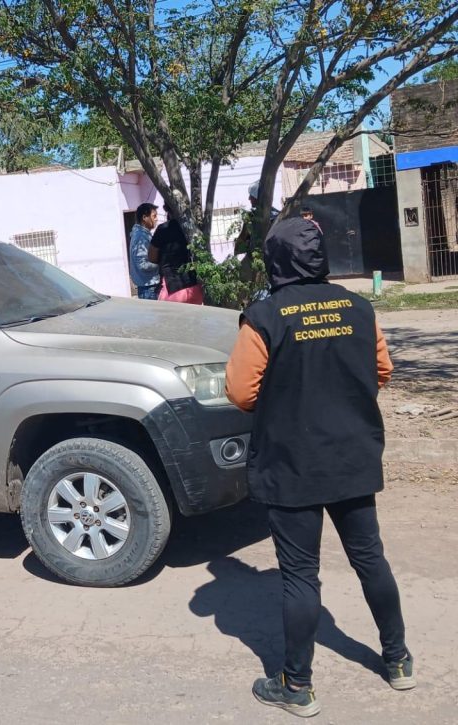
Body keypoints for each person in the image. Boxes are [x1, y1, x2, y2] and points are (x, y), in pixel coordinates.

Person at [225, 216, 413, 718]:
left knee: (300, 576)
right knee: (370, 558)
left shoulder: (263, 317)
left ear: (275, 260)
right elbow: (383, 372)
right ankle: (398, 660)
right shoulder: (359, 308)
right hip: (351, 455)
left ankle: (297, 687)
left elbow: (241, 392)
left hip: (292, 464)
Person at [148, 205, 203, 304]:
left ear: (166, 209)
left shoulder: (163, 229)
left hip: (172, 288)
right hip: (194, 288)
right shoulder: (192, 228)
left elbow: (152, 257)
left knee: (169, 319)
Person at [129, 202, 161, 299]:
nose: (156, 219)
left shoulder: (143, 234)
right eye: (154, 216)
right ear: (144, 217)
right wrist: (161, 264)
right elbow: (143, 265)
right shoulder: (140, 237)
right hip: (148, 287)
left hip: (149, 286)